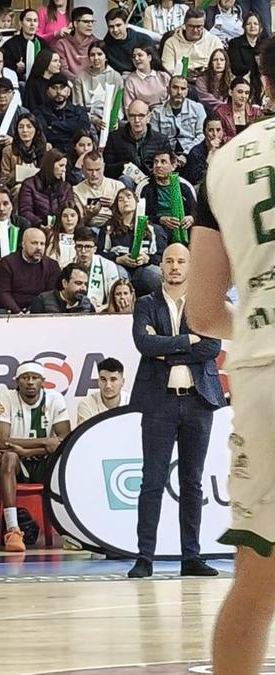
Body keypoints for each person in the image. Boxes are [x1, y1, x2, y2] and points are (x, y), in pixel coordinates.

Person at [187, 39, 275, 670]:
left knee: (257, 581)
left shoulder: (223, 161)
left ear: (263, 82)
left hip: (262, 370)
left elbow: (202, 312)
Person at [126, 242, 225, 579]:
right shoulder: (146, 304)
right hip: (159, 401)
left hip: (199, 401)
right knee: (151, 481)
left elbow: (212, 346)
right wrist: (188, 341)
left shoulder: (205, 302)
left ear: (190, 266)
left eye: (181, 261)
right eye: (169, 261)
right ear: (162, 265)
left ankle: (191, 557)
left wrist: (166, 348)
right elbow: (143, 343)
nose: (174, 266)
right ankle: (144, 557)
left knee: (192, 482)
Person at [0, 361, 71, 552]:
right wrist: (46, 443)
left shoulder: (55, 399)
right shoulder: (6, 397)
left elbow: (65, 440)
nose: (30, 382)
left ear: (43, 381)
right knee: (9, 457)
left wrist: (29, 451)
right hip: (17, 465)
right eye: (25, 378)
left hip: (43, 462)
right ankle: (12, 529)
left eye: (34, 378)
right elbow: (2, 441)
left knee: (67, 460)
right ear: (17, 381)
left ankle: (70, 529)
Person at [99, 188, 165, 296]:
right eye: (120, 199)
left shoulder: (153, 229)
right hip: (119, 267)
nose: (125, 200)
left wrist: (147, 259)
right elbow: (99, 253)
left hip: (144, 268)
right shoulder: (108, 229)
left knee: (156, 274)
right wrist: (117, 259)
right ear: (116, 206)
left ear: (136, 202)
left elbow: (162, 256)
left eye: (129, 197)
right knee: (116, 275)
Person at [104, 100, 172, 187]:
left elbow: (169, 167)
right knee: (124, 179)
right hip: (125, 184)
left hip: (153, 182)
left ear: (149, 117)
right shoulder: (114, 138)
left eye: (141, 116)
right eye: (132, 116)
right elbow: (106, 169)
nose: (136, 120)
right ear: (127, 117)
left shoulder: (161, 140)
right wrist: (123, 166)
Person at [0, 226, 60, 314]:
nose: (39, 248)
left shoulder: (52, 266)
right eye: (34, 243)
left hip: (40, 311)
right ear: (23, 244)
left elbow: (50, 295)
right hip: (12, 310)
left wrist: (33, 312)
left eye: (42, 244)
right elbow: (2, 293)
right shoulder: (7, 263)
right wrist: (18, 312)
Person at [140, 151, 196, 245]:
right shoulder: (146, 188)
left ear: (173, 166)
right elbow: (142, 215)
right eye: (156, 162)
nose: (158, 165)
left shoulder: (184, 187)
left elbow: (195, 210)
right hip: (159, 226)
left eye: (163, 162)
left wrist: (191, 218)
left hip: (182, 226)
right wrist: (161, 219)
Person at [74, 42, 124, 135]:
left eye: (100, 54)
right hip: (88, 119)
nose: (96, 58)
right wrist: (94, 120)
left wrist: (114, 120)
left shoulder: (115, 76)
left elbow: (119, 105)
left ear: (106, 57)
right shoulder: (80, 77)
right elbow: (78, 106)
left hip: (111, 118)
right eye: (92, 55)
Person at [18, 149, 75, 227]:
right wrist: (40, 224)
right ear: (50, 165)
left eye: (65, 166)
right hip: (36, 228)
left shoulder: (66, 187)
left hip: (60, 228)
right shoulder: (29, 185)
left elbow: (70, 209)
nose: (64, 170)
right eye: (61, 165)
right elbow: (25, 211)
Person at [35, 74, 90, 155]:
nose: (59, 92)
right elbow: (43, 133)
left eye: (62, 87)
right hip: (52, 152)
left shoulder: (79, 111)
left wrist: (53, 125)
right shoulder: (39, 111)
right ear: (47, 92)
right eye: (54, 88)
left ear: (69, 91)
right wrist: (72, 127)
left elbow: (83, 130)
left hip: (76, 152)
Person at [162, 9, 224, 76]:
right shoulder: (171, 42)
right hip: (182, 79)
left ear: (203, 26)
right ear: (185, 25)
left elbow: (221, 65)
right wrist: (185, 72)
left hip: (208, 79)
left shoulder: (214, 41)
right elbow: (168, 68)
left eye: (199, 26)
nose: (195, 30)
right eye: (191, 26)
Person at [73, 151, 126, 229]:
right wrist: (89, 215)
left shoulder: (118, 186)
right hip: (90, 228)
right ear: (83, 168)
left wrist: (113, 207)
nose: (94, 174)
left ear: (103, 167)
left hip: (115, 227)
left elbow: (127, 216)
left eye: (98, 170)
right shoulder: (76, 190)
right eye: (90, 170)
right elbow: (77, 224)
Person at [0, 114, 51, 192]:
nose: (25, 130)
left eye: (29, 127)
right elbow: (4, 181)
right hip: (18, 188)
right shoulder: (8, 151)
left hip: (41, 187)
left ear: (36, 130)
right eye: (21, 127)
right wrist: (16, 173)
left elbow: (51, 174)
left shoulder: (46, 148)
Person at [75, 357, 130, 427]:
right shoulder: (86, 405)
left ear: (122, 382)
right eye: (103, 379)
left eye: (113, 379)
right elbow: (87, 437)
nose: (108, 386)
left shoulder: (132, 402)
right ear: (98, 381)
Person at [104, 8, 156, 74]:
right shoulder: (106, 45)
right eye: (111, 27)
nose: (115, 30)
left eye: (118, 25)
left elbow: (155, 65)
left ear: (126, 24)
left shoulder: (144, 40)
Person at [28, 263, 94, 314]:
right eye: (78, 283)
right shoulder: (42, 301)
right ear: (65, 283)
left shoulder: (87, 305)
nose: (84, 288)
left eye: (85, 284)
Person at [52, 7, 97, 79]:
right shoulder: (62, 44)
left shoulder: (96, 44)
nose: (90, 25)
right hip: (70, 85)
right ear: (75, 23)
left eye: (92, 22)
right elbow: (63, 70)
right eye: (86, 22)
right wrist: (79, 82)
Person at [214, 76, 262, 141]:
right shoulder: (220, 112)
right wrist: (240, 141)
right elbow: (220, 136)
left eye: (246, 93)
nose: (243, 96)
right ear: (230, 92)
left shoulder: (256, 112)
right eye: (240, 92)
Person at [123, 46, 170, 111]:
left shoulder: (164, 76)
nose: (136, 59)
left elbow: (172, 98)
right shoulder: (131, 80)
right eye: (134, 57)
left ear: (149, 57)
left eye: (140, 55)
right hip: (143, 117)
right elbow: (128, 107)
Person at [181, 117, 224, 187]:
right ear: (204, 132)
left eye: (218, 130)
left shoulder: (226, 148)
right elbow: (198, 180)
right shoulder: (195, 153)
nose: (215, 134)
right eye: (210, 130)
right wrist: (211, 152)